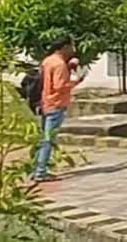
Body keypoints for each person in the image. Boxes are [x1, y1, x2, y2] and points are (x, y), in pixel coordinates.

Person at [32, 37, 85, 182]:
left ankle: (36, 168)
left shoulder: (48, 61)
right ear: (64, 47)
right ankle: (41, 172)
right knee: (48, 140)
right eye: (71, 47)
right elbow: (60, 86)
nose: (72, 50)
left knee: (43, 138)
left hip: (45, 102)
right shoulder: (59, 64)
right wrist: (76, 81)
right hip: (56, 104)